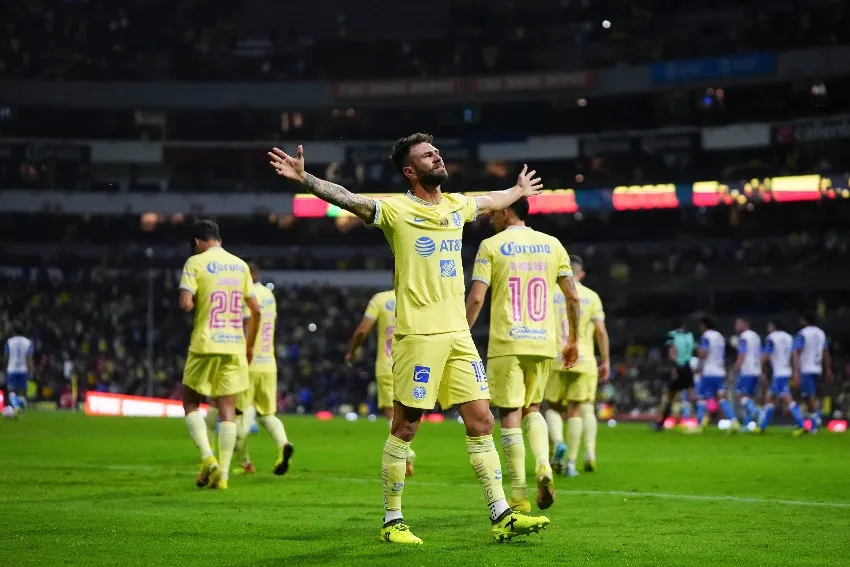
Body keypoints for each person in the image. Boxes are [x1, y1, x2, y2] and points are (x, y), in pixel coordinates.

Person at [269, 133, 569, 544]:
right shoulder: (396, 210)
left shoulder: (456, 205)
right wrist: (308, 180)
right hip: (419, 335)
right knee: (406, 427)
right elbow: (349, 198)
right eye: (428, 155)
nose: (437, 156)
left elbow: (489, 201)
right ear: (411, 171)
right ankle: (393, 520)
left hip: (458, 335)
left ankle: (501, 514)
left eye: (437, 151)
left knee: (482, 421)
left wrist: (517, 190)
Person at [465, 197, 579, 511]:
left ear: (505, 211)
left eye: (492, 214)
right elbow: (572, 297)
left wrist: (461, 332)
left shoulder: (491, 246)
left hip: (507, 342)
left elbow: (476, 299)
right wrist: (574, 340)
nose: (489, 220)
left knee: (510, 414)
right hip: (543, 342)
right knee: (534, 407)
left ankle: (518, 495)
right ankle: (543, 463)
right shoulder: (553, 245)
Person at [178, 219, 261, 490]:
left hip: (205, 342)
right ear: (220, 240)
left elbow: (185, 304)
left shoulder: (195, 262)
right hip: (235, 344)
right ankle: (223, 475)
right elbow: (256, 310)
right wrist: (249, 346)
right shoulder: (240, 265)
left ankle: (207, 456)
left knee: (191, 400)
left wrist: (193, 298)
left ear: (198, 242)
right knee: (227, 409)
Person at [541, 255, 609, 476]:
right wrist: (606, 360)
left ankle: (558, 443)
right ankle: (571, 462)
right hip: (583, 358)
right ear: (581, 273)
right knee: (576, 410)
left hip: (554, 357)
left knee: (552, 407)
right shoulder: (591, 296)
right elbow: (600, 330)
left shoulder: (550, 293)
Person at [227, 263, 294, 476]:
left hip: (249, 362)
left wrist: (244, 350)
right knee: (268, 414)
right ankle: (283, 444)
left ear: (250, 274)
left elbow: (249, 322)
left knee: (237, 415)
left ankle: (244, 462)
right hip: (268, 363)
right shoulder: (269, 295)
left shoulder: (248, 295)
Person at [345, 289, 416, 476]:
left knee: (391, 412)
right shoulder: (416, 295)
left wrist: (351, 350)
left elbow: (362, 329)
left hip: (387, 363)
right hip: (412, 362)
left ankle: (406, 453)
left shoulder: (380, 299)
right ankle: (405, 452)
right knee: (409, 410)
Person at [758, 319, 806, 433]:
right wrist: (795, 372)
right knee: (769, 397)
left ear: (773, 326)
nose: (768, 329)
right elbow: (794, 356)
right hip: (786, 370)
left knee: (787, 398)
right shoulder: (789, 338)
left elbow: (766, 355)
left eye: (769, 327)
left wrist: (760, 364)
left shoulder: (772, 337)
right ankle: (762, 427)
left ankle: (801, 424)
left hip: (779, 373)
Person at [695, 315, 739, 432]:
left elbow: (703, 354)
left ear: (703, 325)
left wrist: (698, 352)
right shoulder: (719, 336)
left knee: (703, 398)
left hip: (709, 371)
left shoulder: (706, 336)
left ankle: (700, 424)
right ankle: (734, 421)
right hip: (719, 371)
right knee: (721, 398)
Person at [792, 313, 833, 434]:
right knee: (810, 395)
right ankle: (814, 419)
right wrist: (828, 369)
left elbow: (796, 352)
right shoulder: (821, 333)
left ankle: (815, 422)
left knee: (808, 396)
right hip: (817, 368)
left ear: (805, 321)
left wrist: (796, 371)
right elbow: (826, 352)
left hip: (807, 368)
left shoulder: (802, 334)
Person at [652, 322, 695, 431]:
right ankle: (700, 420)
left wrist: (674, 368)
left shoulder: (673, 335)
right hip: (688, 368)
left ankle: (660, 424)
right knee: (692, 396)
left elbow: (672, 353)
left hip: (679, 368)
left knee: (670, 397)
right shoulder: (690, 335)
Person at [732, 318, 762, 426]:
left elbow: (742, 355)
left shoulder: (743, 337)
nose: (736, 326)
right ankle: (747, 424)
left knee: (740, 396)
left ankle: (758, 413)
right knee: (748, 398)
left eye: (738, 324)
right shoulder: (756, 336)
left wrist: (735, 369)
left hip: (747, 370)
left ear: (745, 324)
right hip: (756, 370)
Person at [4, 329, 34, 414]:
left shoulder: (9, 341)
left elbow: (6, 356)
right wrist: (31, 369)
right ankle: (21, 407)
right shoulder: (27, 342)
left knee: (11, 391)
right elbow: (29, 357)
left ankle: (16, 407)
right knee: (21, 392)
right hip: (23, 370)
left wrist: (5, 366)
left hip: (12, 369)